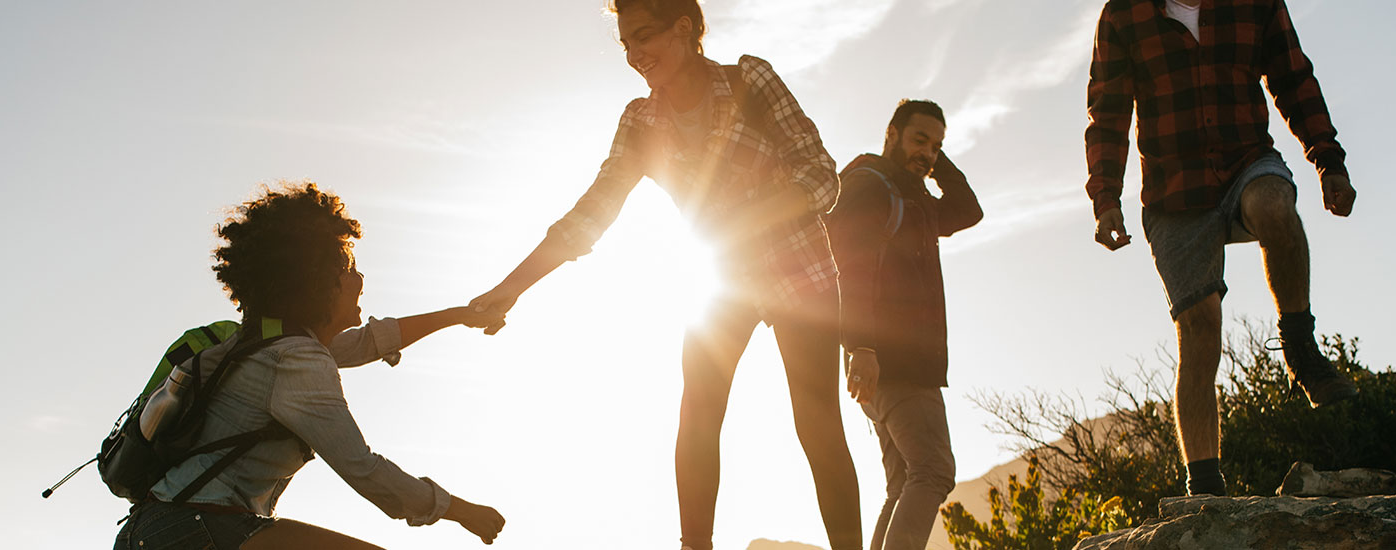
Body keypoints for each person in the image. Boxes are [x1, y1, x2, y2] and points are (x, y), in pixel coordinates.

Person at [465, 1, 862, 548]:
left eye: (643, 36)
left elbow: (820, 175)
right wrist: (512, 287)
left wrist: (749, 218)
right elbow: (592, 212)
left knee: (817, 423)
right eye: (626, 43)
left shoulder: (750, 79)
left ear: (684, 29)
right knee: (698, 413)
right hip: (722, 279)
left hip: (798, 264)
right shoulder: (640, 121)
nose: (634, 54)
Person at [113, 182, 507, 549]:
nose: (360, 278)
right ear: (321, 284)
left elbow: (370, 341)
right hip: (197, 528)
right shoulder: (297, 359)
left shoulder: (270, 344)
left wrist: (460, 314)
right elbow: (362, 468)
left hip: (156, 529)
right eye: (349, 268)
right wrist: (458, 510)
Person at [1082, 0, 1361, 496]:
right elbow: (1107, 110)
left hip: (1245, 163)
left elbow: (1294, 78)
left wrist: (1328, 161)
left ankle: (1299, 346)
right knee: (1200, 327)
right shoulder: (1124, 14)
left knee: (1276, 207)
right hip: (1175, 194)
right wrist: (1105, 197)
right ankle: (1205, 486)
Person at [828, 100, 980, 550]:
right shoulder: (870, 187)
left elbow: (969, 211)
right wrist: (862, 347)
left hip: (887, 362)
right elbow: (850, 268)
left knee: (902, 486)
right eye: (919, 140)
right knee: (934, 471)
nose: (929, 154)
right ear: (891, 133)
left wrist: (929, 161)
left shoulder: (916, 199)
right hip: (893, 360)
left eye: (937, 146)